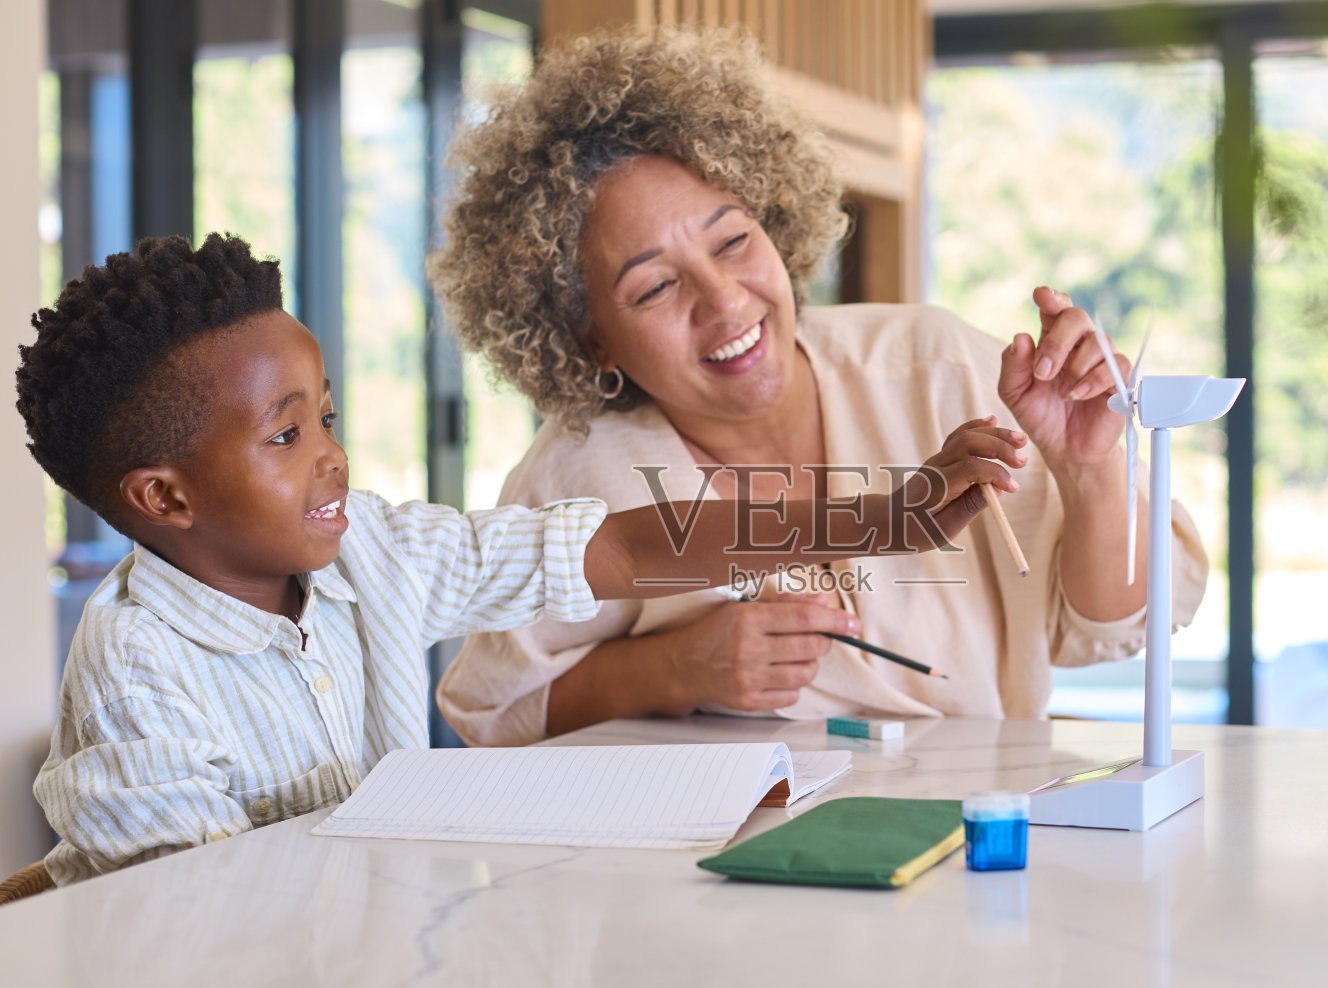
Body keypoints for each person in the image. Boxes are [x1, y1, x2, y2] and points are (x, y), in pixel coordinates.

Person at [15, 233, 1019, 884]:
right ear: (166, 497)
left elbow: (619, 544)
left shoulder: (371, 548)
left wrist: (884, 520)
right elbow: (189, 924)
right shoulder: (133, 669)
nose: (330, 452)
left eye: (325, 414)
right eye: (285, 437)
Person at [429, 26, 1209, 744]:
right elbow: (497, 713)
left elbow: (1120, 623)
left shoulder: (937, 370)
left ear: (775, 219)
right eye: (656, 288)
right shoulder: (577, 481)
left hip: (976, 846)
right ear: (587, 335)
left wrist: (1088, 469)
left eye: (733, 240)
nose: (726, 300)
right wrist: (673, 668)